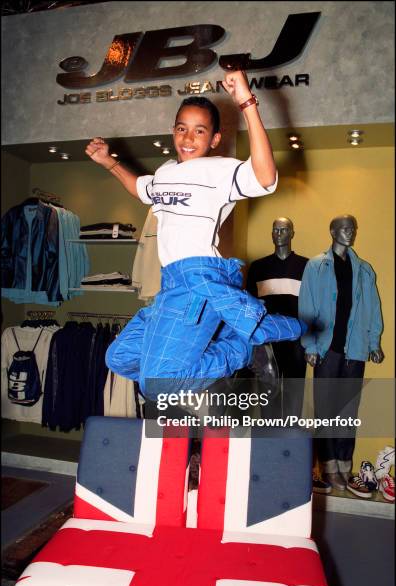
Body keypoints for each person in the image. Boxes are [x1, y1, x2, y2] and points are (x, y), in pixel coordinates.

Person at [85, 70, 305, 401]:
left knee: (158, 385)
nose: (188, 138)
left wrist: (246, 103)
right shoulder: (165, 172)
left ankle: (243, 348)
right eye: (181, 129)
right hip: (172, 283)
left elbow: (264, 175)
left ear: (214, 138)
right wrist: (108, 163)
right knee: (118, 358)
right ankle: (221, 340)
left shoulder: (217, 170)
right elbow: (140, 189)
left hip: (199, 278)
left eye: (199, 131)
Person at [299, 214, 384, 494]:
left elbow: (373, 309)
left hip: (355, 350)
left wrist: (374, 343)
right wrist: (310, 346)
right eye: (345, 228)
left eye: (354, 228)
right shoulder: (316, 266)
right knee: (326, 411)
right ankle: (327, 467)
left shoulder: (364, 270)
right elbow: (307, 308)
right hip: (326, 349)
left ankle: (345, 467)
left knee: (348, 411)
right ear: (332, 231)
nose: (351, 233)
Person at [246, 217, 308, 418]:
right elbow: (249, 308)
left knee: (293, 395)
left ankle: (290, 445)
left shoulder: (306, 267)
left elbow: (312, 307)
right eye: (275, 230)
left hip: (296, 341)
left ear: (292, 233)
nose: (279, 234)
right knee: (268, 395)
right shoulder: (257, 268)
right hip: (267, 342)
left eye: (283, 229)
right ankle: (270, 444)